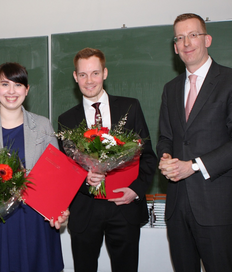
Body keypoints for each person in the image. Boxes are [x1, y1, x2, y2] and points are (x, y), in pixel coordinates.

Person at [0, 62, 68, 272]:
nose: (11, 91)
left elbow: (56, 178)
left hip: (33, 222)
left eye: (18, 85)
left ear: (27, 90)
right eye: (5, 84)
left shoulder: (43, 125)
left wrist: (60, 209)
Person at [58, 48, 157, 272]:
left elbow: (148, 156)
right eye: (82, 75)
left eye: (94, 73)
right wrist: (85, 181)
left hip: (124, 206)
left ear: (105, 73)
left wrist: (136, 190)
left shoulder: (130, 107)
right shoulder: (66, 119)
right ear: (75, 77)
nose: (89, 80)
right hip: (85, 211)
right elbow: (66, 170)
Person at [157, 13, 232, 272]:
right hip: (177, 207)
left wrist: (194, 165)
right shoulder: (170, 88)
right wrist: (166, 158)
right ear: (175, 47)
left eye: (193, 35)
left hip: (217, 207)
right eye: (180, 38)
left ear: (207, 39)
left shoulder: (231, 81)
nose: (187, 42)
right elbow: (165, 137)